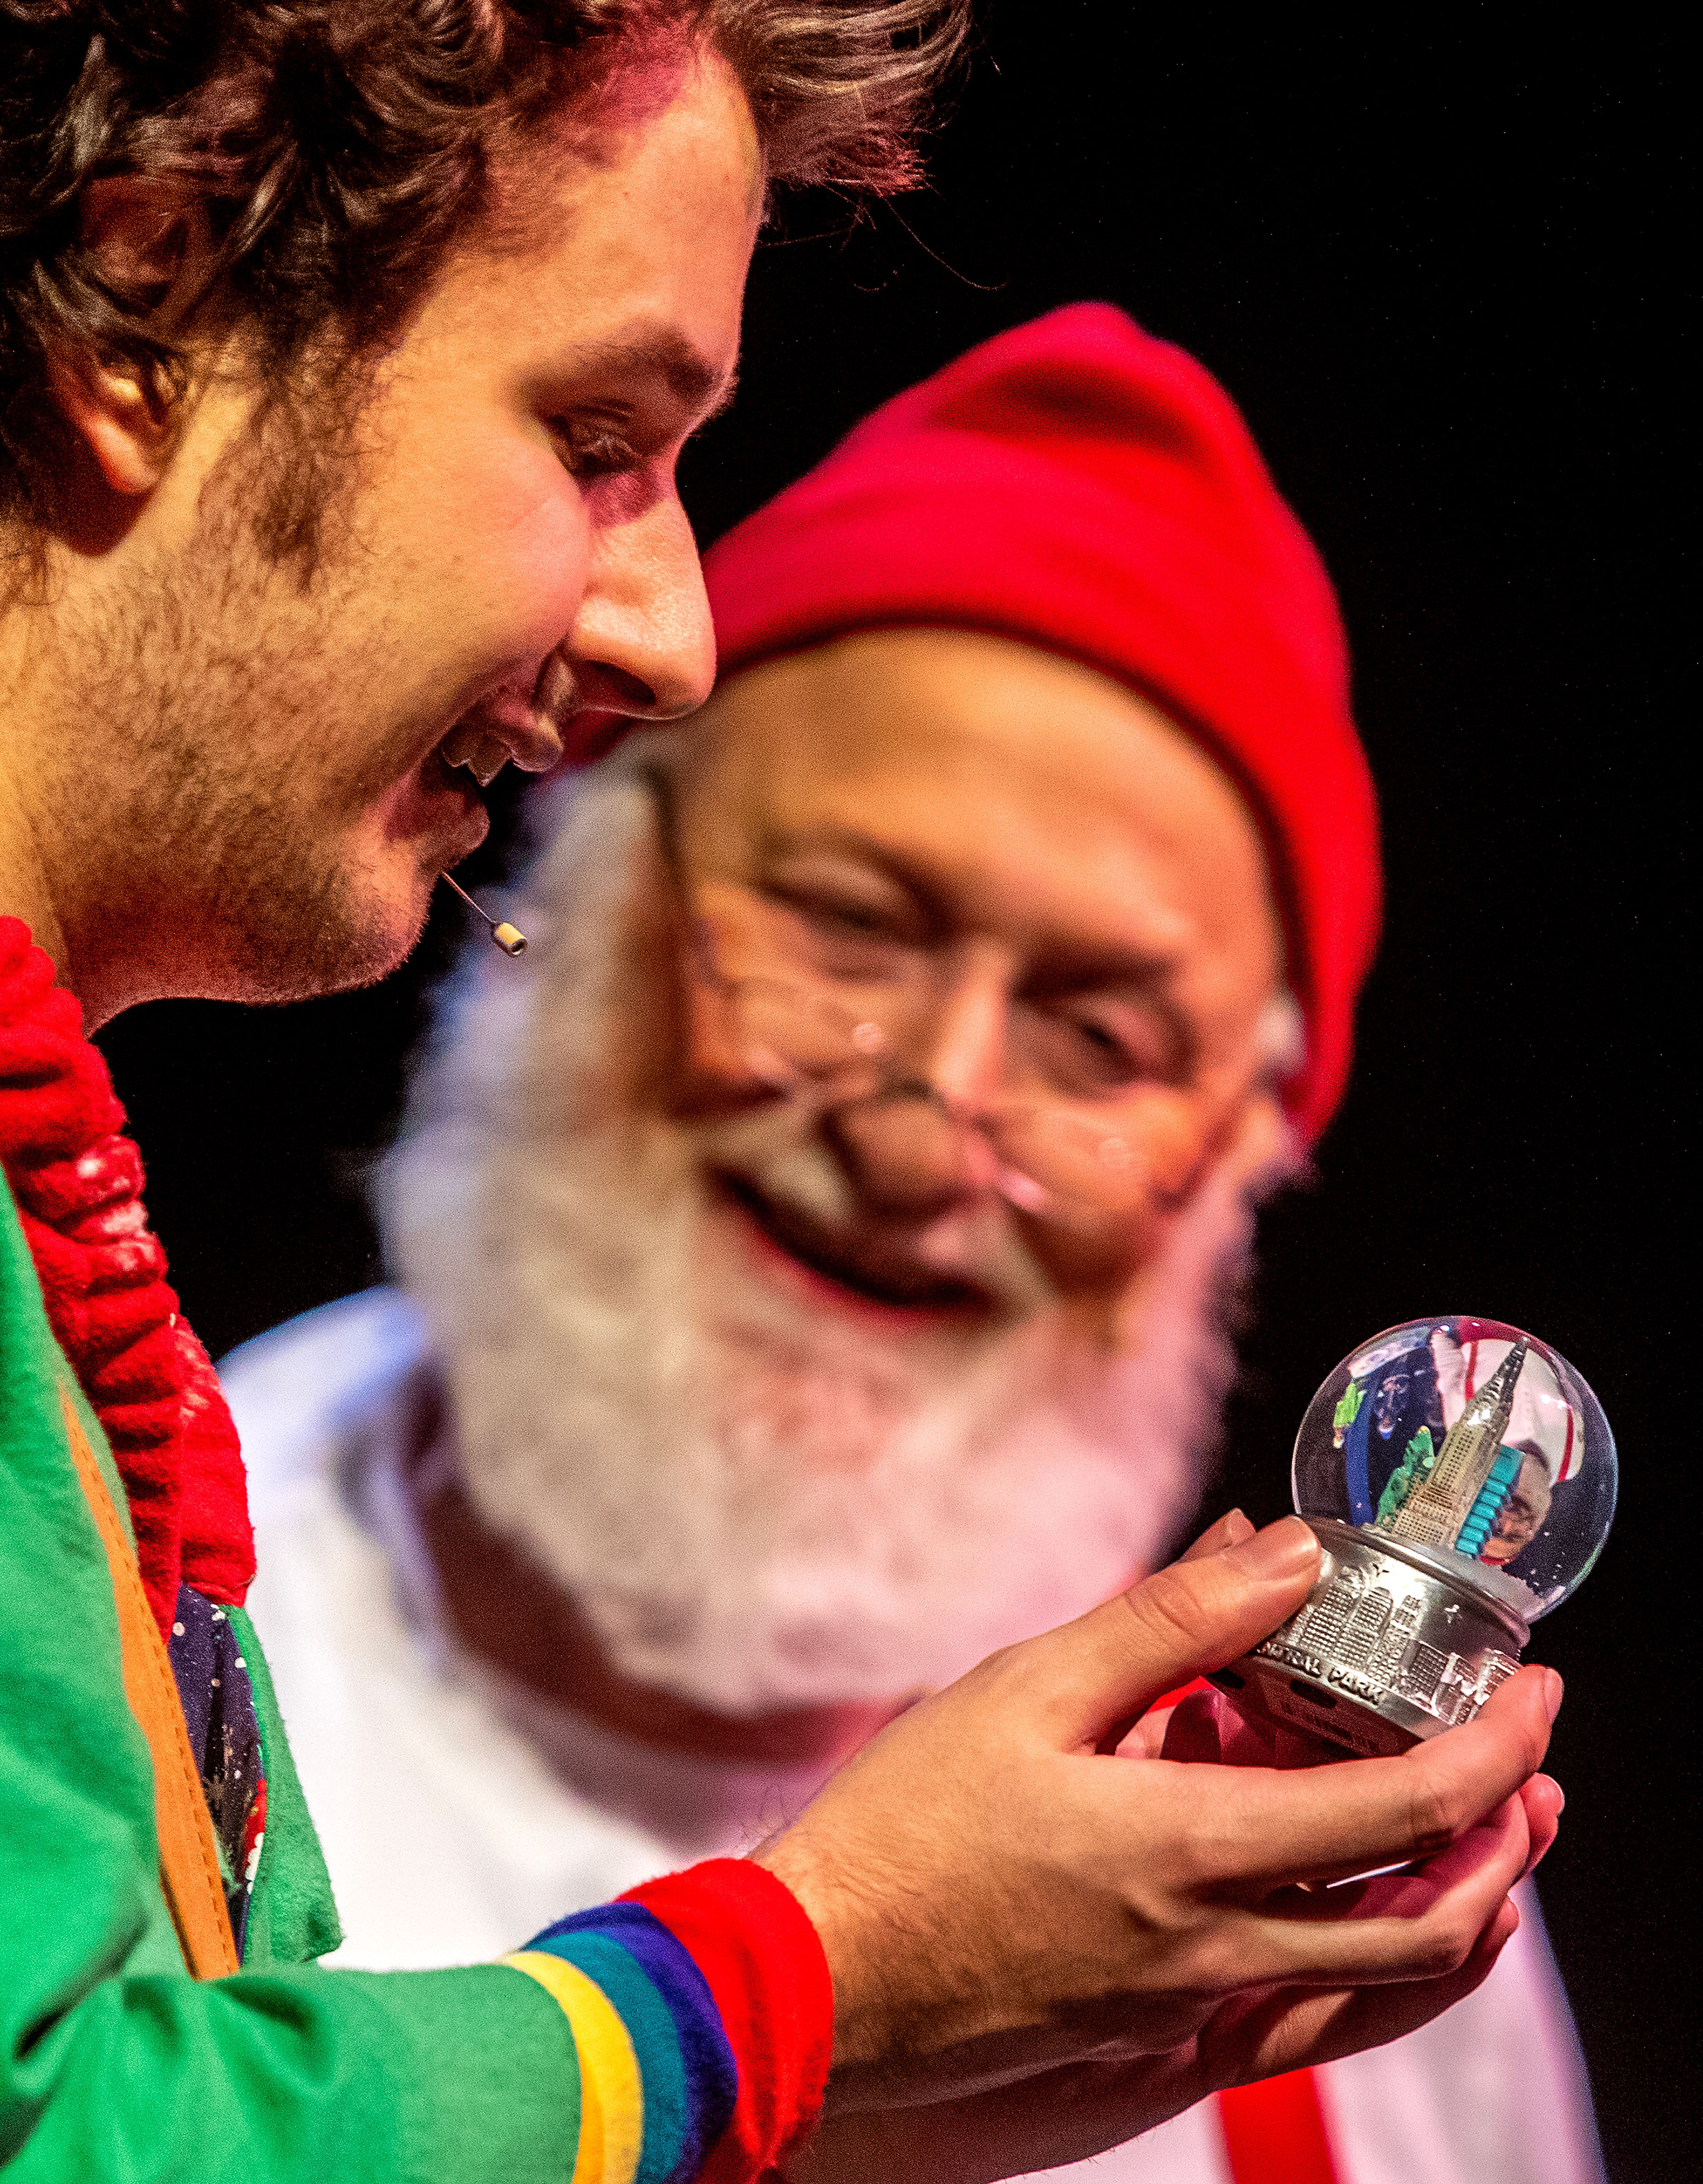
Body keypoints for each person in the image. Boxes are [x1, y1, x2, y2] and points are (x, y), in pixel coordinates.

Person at [0, 5, 1564, 2177]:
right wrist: (797, 1994)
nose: (933, 1110)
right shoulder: (186, 1534)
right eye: (596, 436)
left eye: (1100, 1034)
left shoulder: (1311, 1917)